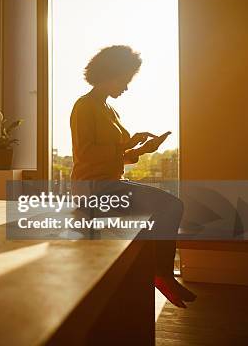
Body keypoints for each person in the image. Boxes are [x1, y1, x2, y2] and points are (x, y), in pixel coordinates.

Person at [70, 45, 196, 308]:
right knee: (171, 205)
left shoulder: (110, 111)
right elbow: (86, 154)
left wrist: (141, 149)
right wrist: (123, 146)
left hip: (110, 184)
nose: (126, 88)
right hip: (92, 189)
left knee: (168, 206)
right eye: (125, 80)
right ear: (110, 74)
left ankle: (157, 273)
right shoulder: (84, 106)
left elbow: (118, 158)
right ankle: (160, 273)